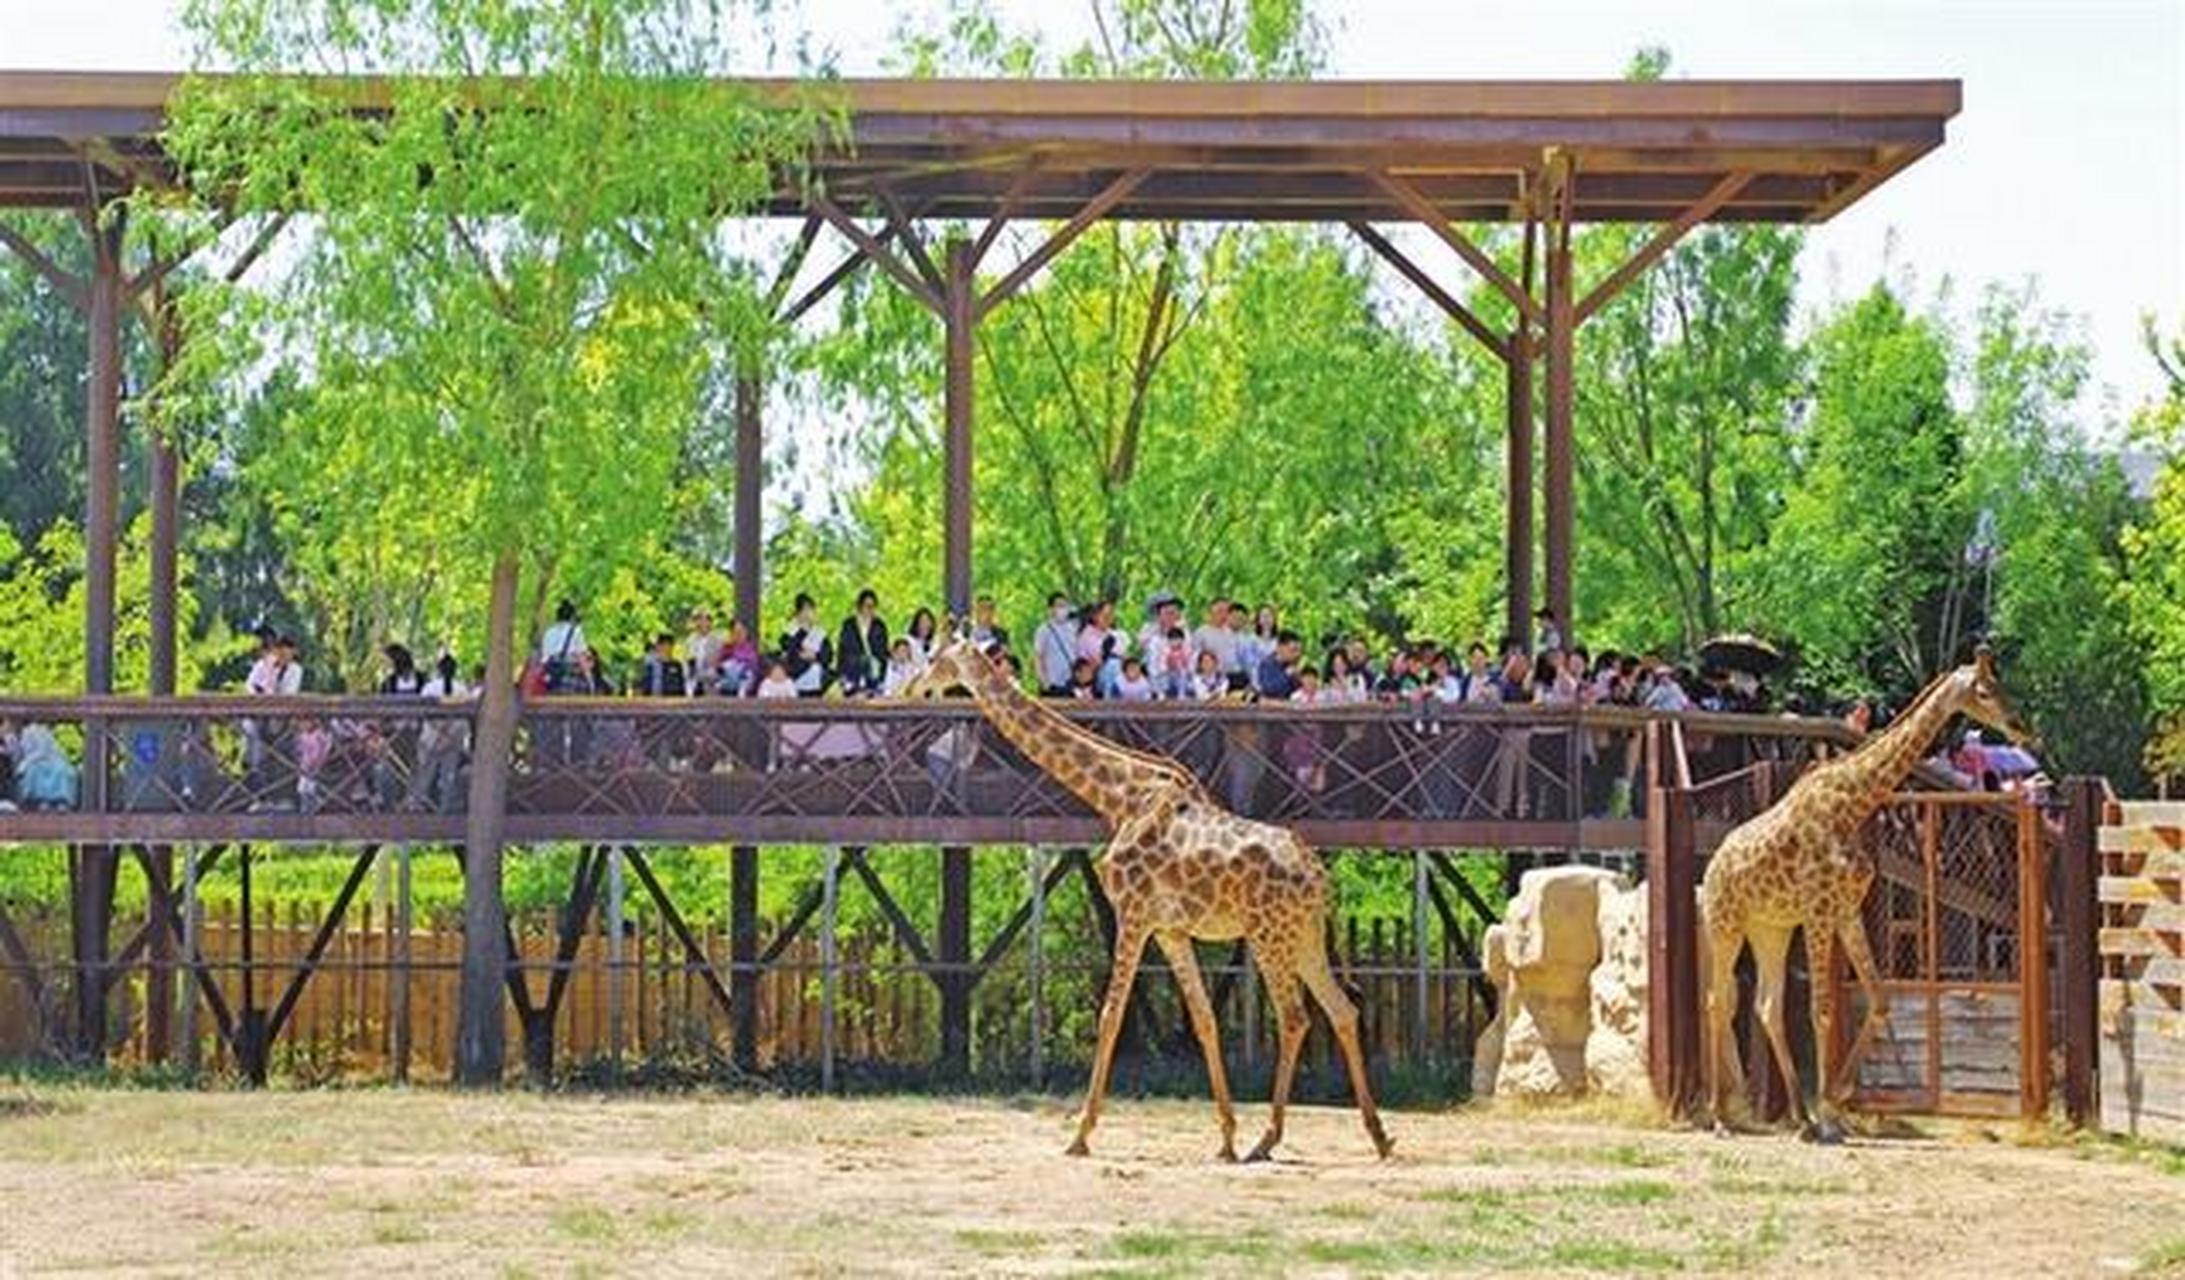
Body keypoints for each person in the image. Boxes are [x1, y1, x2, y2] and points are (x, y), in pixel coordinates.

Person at [408, 653, 472, 813]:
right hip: (453, 739)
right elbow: (466, 716)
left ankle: (418, 806)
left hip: (431, 739)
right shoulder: (462, 689)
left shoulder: (429, 688)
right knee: (448, 776)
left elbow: (422, 712)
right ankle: (446, 809)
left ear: (439, 670)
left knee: (424, 774)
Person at [836, 588, 890, 695]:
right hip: (853, 667)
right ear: (860, 606)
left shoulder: (879, 626)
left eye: (873, 606)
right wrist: (841, 673)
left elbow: (883, 651)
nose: (870, 610)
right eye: (867, 606)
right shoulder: (849, 624)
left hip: (874, 668)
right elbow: (843, 649)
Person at [13, 724, 77, 811]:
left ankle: (60, 801)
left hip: (51, 761)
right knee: (35, 770)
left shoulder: (56, 754)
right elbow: (25, 762)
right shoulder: (27, 735)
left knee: (60, 769)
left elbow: (48, 752)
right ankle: (41, 800)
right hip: (38, 764)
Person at [780, 593, 832, 696]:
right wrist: (802, 631)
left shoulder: (820, 633)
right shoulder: (790, 632)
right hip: (796, 678)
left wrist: (815, 656)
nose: (808, 613)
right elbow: (788, 651)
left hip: (818, 682)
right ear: (798, 612)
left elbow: (828, 656)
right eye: (805, 610)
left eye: (810, 609)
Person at [1032, 593, 1079, 696]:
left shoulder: (1072, 629)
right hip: (1052, 685)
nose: (1063, 609)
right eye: (1059, 605)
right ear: (1051, 609)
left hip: (1070, 684)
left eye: (1065, 606)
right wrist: (1044, 682)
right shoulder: (1044, 630)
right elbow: (1038, 657)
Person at [538, 600, 589, 692]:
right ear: (572, 616)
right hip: (569, 674)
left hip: (550, 675)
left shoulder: (548, 632)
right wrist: (589, 679)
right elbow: (581, 657)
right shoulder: (576, 631)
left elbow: (544, 657)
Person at [1191, 599, 1240, 690]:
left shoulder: (1231, 633)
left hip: (1230, 678)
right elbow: (1195, 659)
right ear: (1211, 613)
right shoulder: (1201, 632)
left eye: (1226, 611)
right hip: (1210, 681)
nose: (1223, 615)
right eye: (1219, 611)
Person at [684, 609, 727, 694]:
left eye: (704, 620)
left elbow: (720, 661)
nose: (702, 623)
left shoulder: (717, 640)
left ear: (710, 623)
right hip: (694, 674)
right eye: (698, 620)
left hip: (712, 675)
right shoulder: (690, 640)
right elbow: (687, 658)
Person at [1238, 605, 1279, 692]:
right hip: (1257, 681)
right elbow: (1249, 665)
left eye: (1269, 616)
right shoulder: (1251, 640)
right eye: (1263, 616)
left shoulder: (1279, 640)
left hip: (1277, 680)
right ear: (1258, 620)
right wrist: (1255, 684)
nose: (1266, 619)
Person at [1257, 631, 1303, 701]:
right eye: (1293, 650)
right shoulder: (1267, 664)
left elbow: (1298, 691)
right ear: (1280, 648)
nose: (1297, 654)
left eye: (1298, 651)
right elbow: (1269, 690)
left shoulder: (1292, 665)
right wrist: (1286, 674)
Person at [718, 620, 759, 697]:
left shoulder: (750, 649)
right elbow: (718, 665)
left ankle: (741, 690)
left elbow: (753, 667)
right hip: (727, 679)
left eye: (741, 632)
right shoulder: (726, 647)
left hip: (743, 678)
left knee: (745, 671)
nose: (739, 635)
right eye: (736, 632)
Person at [639, 633, 687, 697]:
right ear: (657, 646)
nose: (664, 648)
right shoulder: (650, 665)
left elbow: (681, 686)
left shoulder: (677, 665)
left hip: (672, 701)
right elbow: (644, 685)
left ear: (672, 647)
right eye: (661, 644)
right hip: (652, 701)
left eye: (668, 645)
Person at [1155, 626, 1195, 699]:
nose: (1175, 641)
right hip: (1169, 675)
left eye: (1177, 638)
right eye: (1172, 638)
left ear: (1182, 639)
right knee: (1162, 677)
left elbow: (1191, 665)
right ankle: (1162, 693)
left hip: (1183, 677)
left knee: (1183, 673)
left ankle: (1182, 694)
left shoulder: (1187, 650)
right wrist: (1168, 668)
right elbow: (1162, 665)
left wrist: (1185, 667)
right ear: (1168, 640)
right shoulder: (1166, 650)